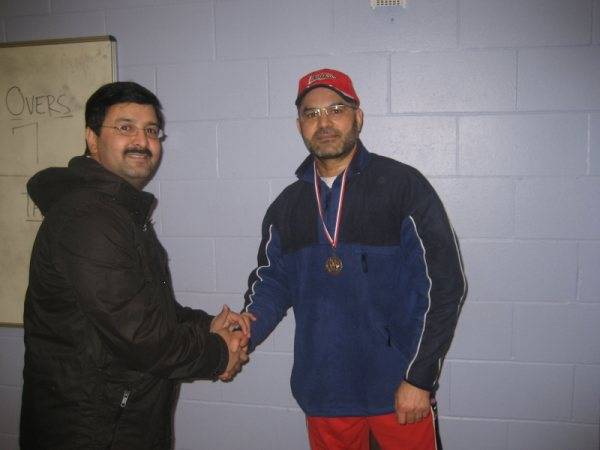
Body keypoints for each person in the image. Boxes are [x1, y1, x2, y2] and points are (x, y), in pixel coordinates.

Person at [20, 81, 253, 450]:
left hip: (117, 416)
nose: (142, 142)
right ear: (92, 139)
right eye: (125, 127)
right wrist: (218, 352)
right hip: (92, 428)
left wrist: (205, 324)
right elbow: (143, 340)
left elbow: (146, 309)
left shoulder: (116, 212)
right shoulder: (90, 219)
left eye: (151, 130)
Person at [243, 69, 466, 450]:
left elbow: (445, 285)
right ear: (299, 125)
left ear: (357, 117)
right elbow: (272, 285)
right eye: (311, 114)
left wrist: (420, 377)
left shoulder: (403, 187)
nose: (324, 122)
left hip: (400, 392)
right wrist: (241, 332)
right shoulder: (286, 206)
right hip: (325, 393)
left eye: (336, 109)